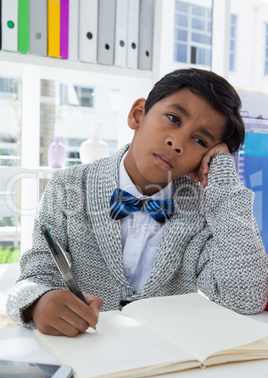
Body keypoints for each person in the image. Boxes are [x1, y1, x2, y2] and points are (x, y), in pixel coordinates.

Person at [6, 68, 268, 337]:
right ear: (138, 114)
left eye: (200, 140)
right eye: (173, 118)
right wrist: (38, 303)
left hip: (166, 361)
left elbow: (245, 297)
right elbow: (32, 278)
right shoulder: (67, 186)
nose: (177, 143)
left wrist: (223, 176)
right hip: (84, 353)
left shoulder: (203, 209)